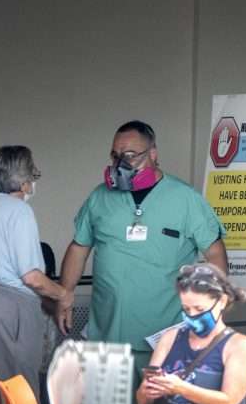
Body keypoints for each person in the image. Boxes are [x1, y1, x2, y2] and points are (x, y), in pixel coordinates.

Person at [56, 121, 227, 388]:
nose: (120, 163)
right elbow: (79, 247)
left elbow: (215, 254)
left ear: (153, 154)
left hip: (166, 339)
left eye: (130, 155)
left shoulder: (185, 199)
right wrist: (65, 294)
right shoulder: (100, 198)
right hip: (107, 339)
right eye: (115, 156)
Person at [0, 146, 72, 397]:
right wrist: (63, 294)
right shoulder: (18, 210)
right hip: (1, 309)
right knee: (13, 391)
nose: (32, 184)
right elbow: (31, 277)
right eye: (32, 175)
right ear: (23, 182)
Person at [136, 263, 246, 404]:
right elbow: (143, 403)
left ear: (222, 302)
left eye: (199, 309)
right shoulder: (170, 338)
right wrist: (147, 389)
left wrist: (180, 388)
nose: (192, 316)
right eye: (186, 309)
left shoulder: (238, 345)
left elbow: (228, 403)